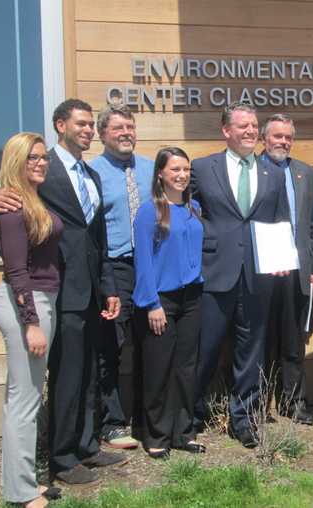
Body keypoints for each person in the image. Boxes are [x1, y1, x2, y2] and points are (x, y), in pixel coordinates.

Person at [0, 99, 123, 484]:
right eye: (80, 123)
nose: (88, 130)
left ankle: (86, 445)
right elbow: (4, 210)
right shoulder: (42, 168)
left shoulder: (91, 176)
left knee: (90, 373)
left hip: (93, 289)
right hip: (56, 289)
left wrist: (108, 285)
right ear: (60, 125)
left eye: (91, 124)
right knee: (67, 374)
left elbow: (98, 238)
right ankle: (62, 460)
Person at [192, 102, 290, 448]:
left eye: (253, 126)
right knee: (206, 347)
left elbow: (280, 221)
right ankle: (192, 414)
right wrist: (206, 236)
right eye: (243, 126)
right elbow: (182, 210)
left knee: (251, 350)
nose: (250, 131)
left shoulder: (273, 174)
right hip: (215, 271)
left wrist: (281, 256)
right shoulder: (203, 168)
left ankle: (244, 419)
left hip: (258, 275)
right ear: (226, 131)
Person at [0, 133, 63, 507]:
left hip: (38, 301)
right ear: (16, 160)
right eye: (31, 157)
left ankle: (22, 482)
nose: (40, 162)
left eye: (43, 157)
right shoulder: (13, 206)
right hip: (27, 304)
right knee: (25, 401)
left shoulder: (31, 199)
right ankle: (21, 493)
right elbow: (17, 271)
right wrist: (31, 322)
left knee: (23, 397)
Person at [133, 147, 205, 458]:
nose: (182, 175)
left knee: (186, 368)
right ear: (160, 173)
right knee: (159, 369)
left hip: (192, 298)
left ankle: (183, 432)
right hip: (161, 300)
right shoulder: (150, 211)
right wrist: (151, 304)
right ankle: (156, 436)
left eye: (186, 169)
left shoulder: (194, 208)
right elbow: (143, 261)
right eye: (175, 169)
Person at [89, 104, 153, 449]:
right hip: (114, 268)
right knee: (111, 347)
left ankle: (147, 418)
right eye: (118, 128)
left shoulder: (149, 168)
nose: (126, 132)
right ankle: (112, 422)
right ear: (103, 134)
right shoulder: (92, 171)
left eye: (130, 126)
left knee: (150, 344)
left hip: (151, 267)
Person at [259, 114, 313, 425]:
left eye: (287, 137)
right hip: (264, 271)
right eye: (277, 136)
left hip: (298, 271)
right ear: (264, 138)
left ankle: (293, 403)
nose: (283, 142)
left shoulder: (305, 173)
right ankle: (261, 404)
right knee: (262, 339)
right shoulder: (253, 169)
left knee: (295, 339)